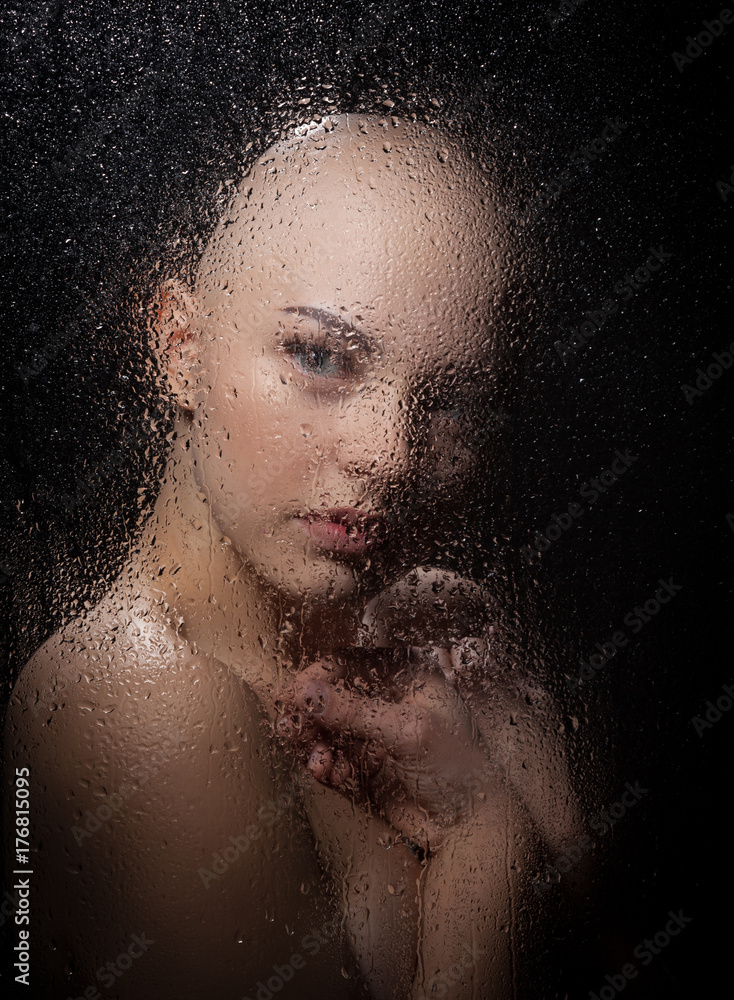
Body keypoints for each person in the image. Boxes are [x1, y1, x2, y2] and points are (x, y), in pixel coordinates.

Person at [4, 114, 578, 999]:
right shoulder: (135, 694)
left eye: (450, 403)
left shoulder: (426, 636)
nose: (389, 452)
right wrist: (491, 841)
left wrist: (566, 839)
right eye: (319, 357)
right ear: (179, 347)